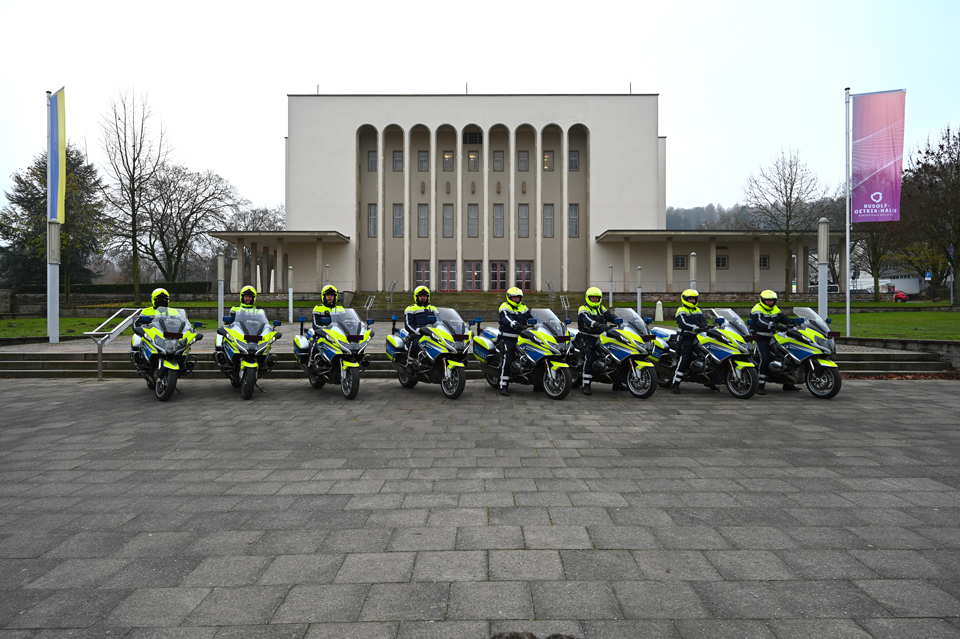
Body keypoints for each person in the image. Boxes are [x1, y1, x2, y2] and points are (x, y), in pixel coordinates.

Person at [750, 289, 800, 394]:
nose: (770, 303)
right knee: (764, 358)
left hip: (774, 337)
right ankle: (760, 385)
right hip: (760, 338)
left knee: (788, 356)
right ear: (762, 300)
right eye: (768, 301)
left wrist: (795, 321)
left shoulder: (775, 309)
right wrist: (775, 326)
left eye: (772, 301)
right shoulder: (757, 309)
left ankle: (788, 383)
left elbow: (784, 318)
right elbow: (761, 322)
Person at [577, 286, 618, 396]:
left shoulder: (601, 308)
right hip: (587, 336)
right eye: (592, 298)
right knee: (589, 358)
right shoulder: (583, 308)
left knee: (614, 355)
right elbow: (586, 319)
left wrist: (619, 321)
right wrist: (597, 324)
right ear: (587, 298)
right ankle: (586, 385)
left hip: (601, 336)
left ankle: (618, 383)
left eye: (597, 298)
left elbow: (610, 316)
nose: (595, 300)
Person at [671, 288, 709, 394]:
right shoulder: (681, 310)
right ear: (685, 299)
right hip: (685, 337)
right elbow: (683, 324)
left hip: (697, 337)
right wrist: (695, 328)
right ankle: (676, 384)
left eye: (694, 299)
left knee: (705, 354)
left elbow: (703, 320)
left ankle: (709, 380)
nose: (692, 301)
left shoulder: (698, 310)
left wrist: (707, 325)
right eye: (690, 299)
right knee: (685, 358)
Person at [497, 287, 532, 397]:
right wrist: (514, 324)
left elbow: (532, 317)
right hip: (508, 337)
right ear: (509, 297)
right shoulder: (505, 306)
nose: (516, 299)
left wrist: (540, 323)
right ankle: (503, 386)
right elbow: (506, 318)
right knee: (508, 359)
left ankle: (538, 383)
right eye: (514, 297)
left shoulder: (523, 307)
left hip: (522, 337)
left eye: (518, 297)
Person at [403, 286, 438, 371]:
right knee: (416, 343)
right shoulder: (411, 308)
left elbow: (440, 321)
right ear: (417, 297)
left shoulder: (433, 308)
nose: (423, 297)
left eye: (425, 296)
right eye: (421, 296)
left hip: (432, 333)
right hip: (418, 333)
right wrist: (418, 331)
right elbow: (408, 324)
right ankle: (410, 364)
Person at [131, 287, 172, 358]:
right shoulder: (146, 311)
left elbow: (182, 323)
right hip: (151, 335)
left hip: (168, 336)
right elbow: (138, 323)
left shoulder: (174, 312)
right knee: (136, 339)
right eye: (159, 299)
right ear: (154, 300)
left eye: (164, 299)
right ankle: (137, 357)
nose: (162, 301)